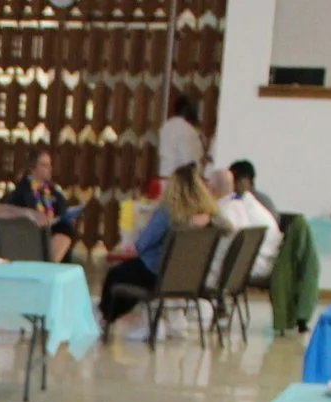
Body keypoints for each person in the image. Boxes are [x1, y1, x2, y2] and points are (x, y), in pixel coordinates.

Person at [100, 163, 217, 329]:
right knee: (129, 272)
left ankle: (105, 318)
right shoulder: (208, 217)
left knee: (115, 275)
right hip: (191, 278)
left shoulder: (167, 213)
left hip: (159, 275)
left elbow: (142, 245)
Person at [5, 148, 82, 262]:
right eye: (44, 165)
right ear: (33, 168)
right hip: (31, 234)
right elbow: (12, 215)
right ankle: (50, 264)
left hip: (52, 232)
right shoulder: (20, 192)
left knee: (65, 227)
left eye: (50, 165)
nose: (49, 168)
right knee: (63, 230)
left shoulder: (54, 193)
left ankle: (51, 263)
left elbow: (62, 211)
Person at [207, 165, 278, 283]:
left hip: (243, 269)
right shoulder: (248, 206)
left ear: (211, 189)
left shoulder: (223, 213)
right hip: (262, 264)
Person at [157, 94, 205, 179]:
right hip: (181, 179)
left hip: (164, 174)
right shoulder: (189, 130)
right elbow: (192, 160)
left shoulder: (166, 126)